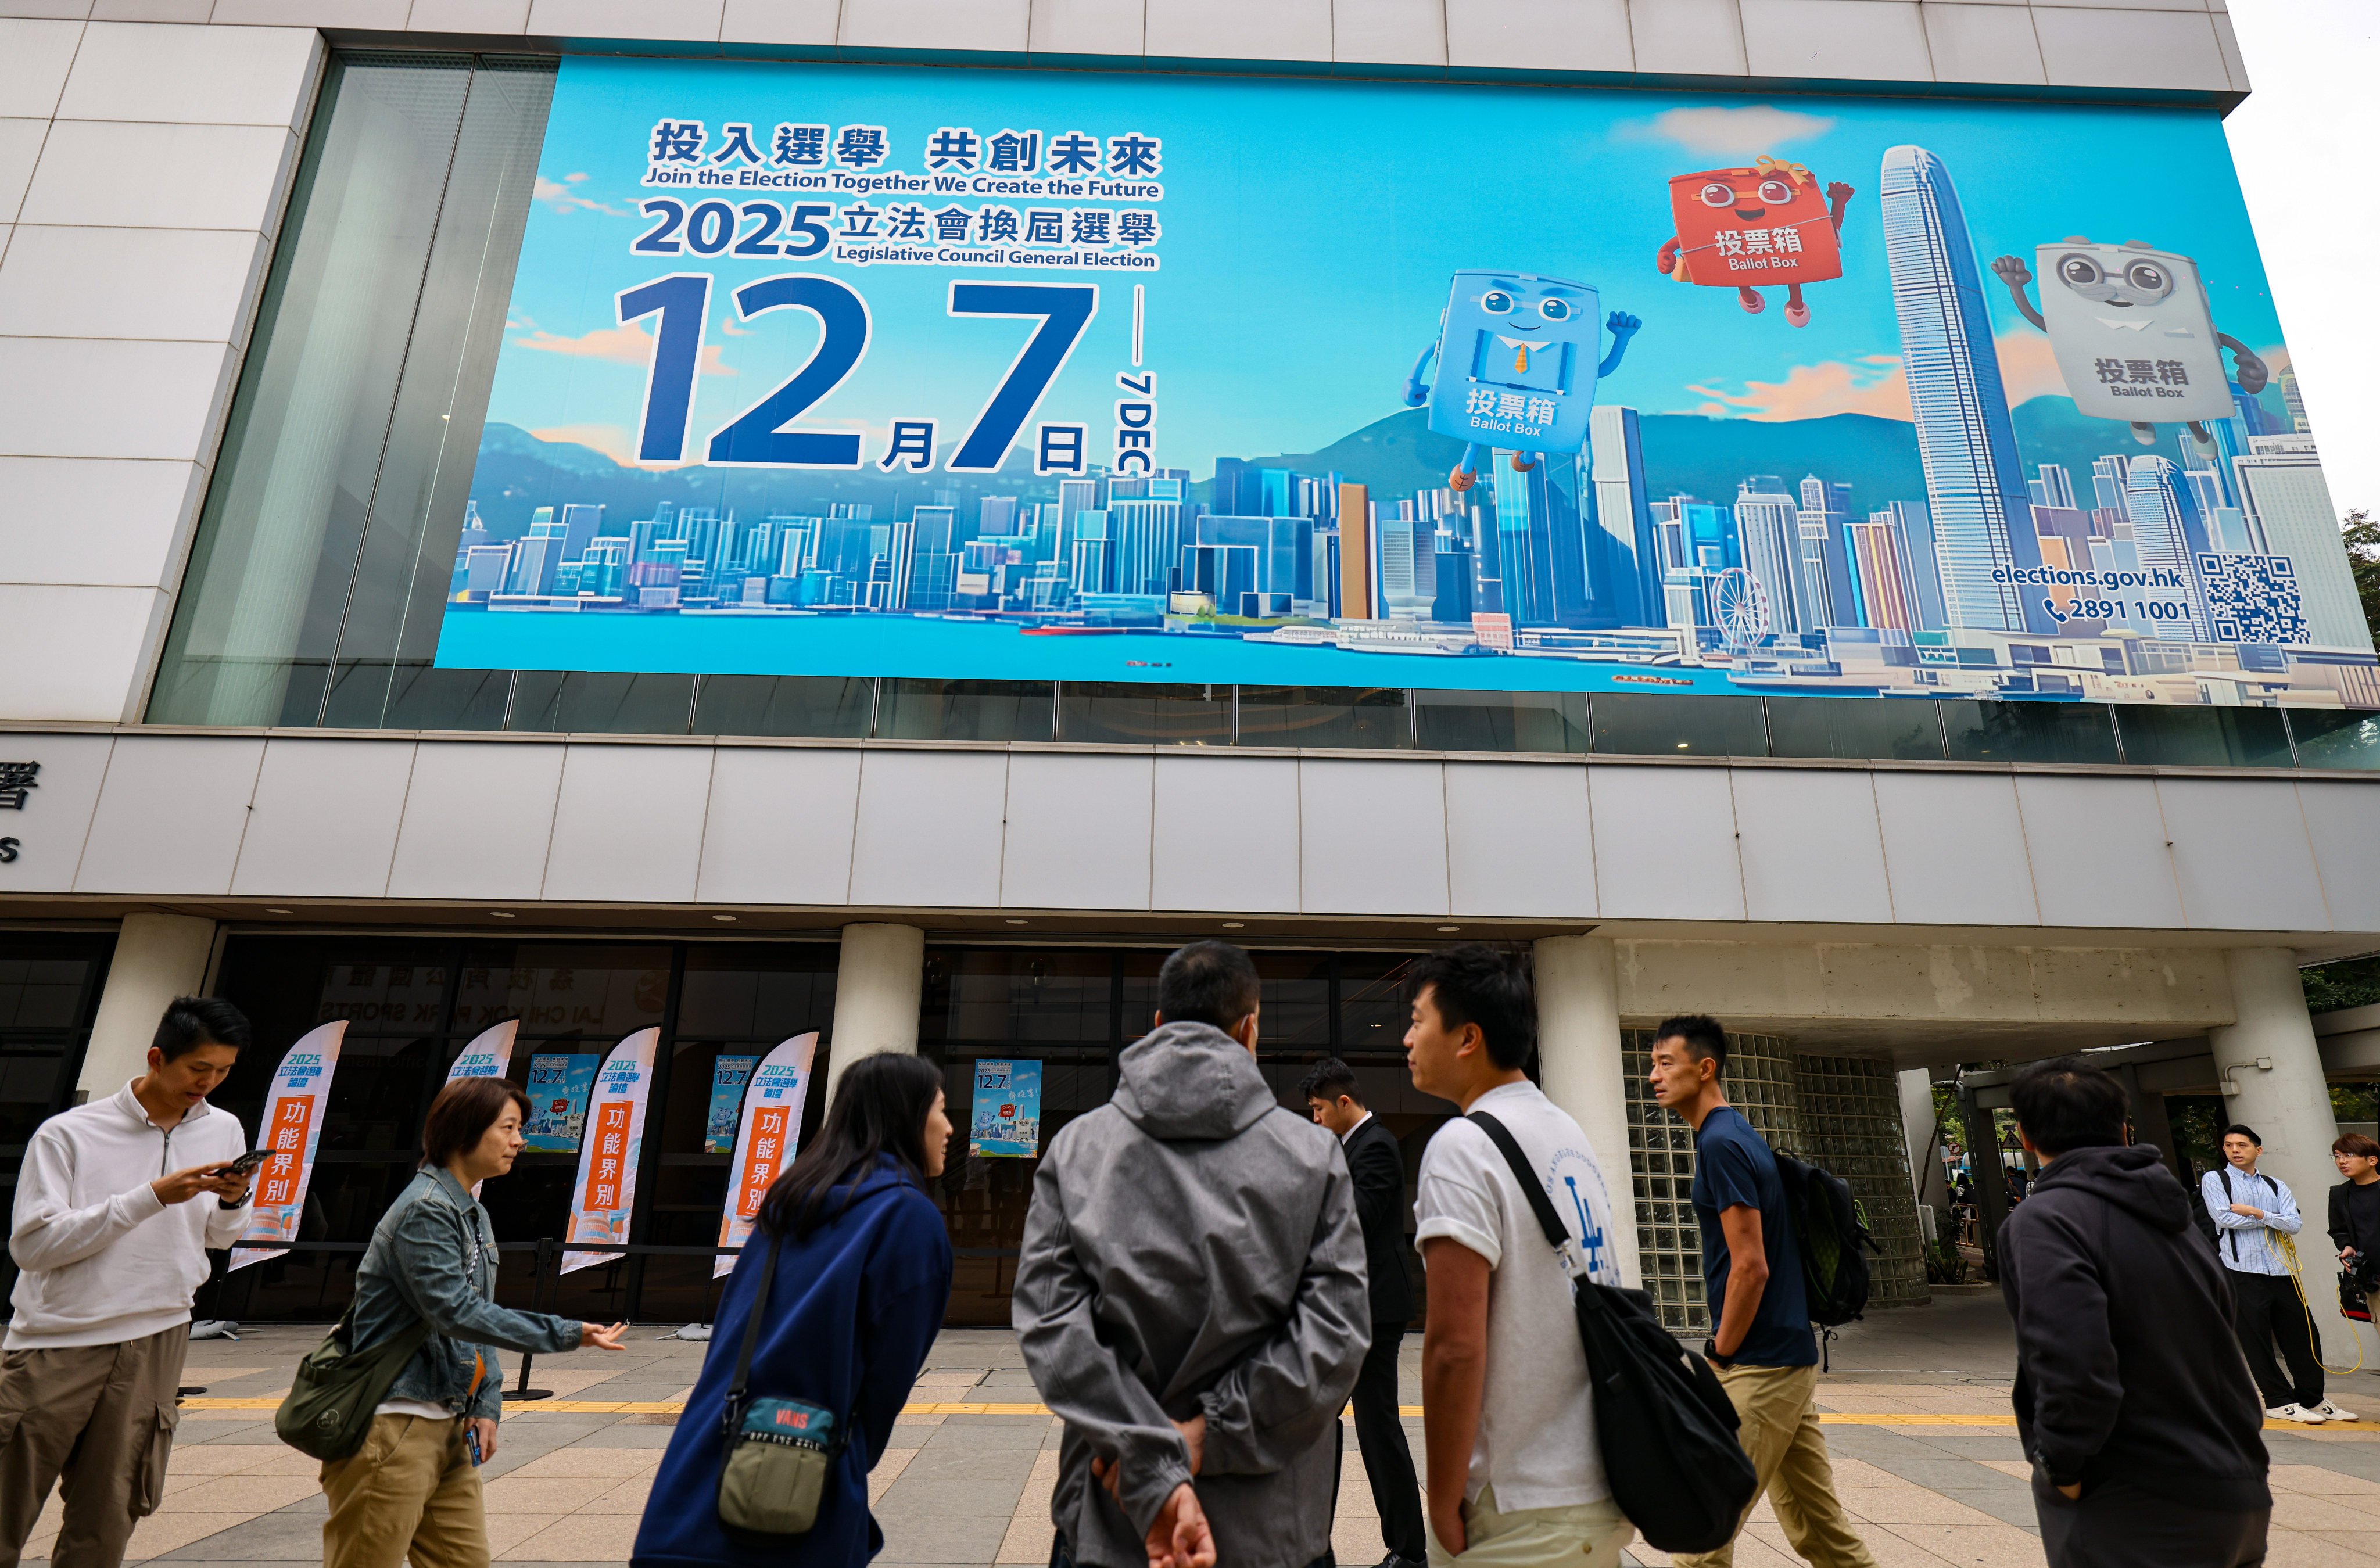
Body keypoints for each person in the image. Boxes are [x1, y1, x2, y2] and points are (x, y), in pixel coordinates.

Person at [1015, 940, 1367, 1568]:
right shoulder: (1314, 1157)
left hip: (1112, 1521)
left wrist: (1152, 1464)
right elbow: (1335, 1333)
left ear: (1157, 1025)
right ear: (1250, 1026)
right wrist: (1207, 1436)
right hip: (1274, 1529)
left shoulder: (1076, 1149)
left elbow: (1052, 1329)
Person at [634, 1052, 954, 1568]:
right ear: (907, 1115)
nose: (950, 1127)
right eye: (940, 1109)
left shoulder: (790, 1200)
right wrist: (845, 1462)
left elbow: (730, 1333)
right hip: (792, 1496)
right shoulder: (907, 1217)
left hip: (694, 1480)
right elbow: (886, 1381)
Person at [326, 1074, 628, 1568]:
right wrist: (565, 1332)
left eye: (519, 1128)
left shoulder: (472, 1212)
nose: (520, 1140)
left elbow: (475, 1317)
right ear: (464, 1130)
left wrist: (486, 1403)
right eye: (508, 1127)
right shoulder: (426, 1209)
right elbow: (456, 1311)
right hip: (389, 1421)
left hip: (446, 1422)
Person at [0, 996, 256, 1568]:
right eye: (198, 1068)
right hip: (57, 1340)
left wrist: (235, 1201)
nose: (208, 1083)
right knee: (5, 1508)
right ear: (157, 1056)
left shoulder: (224, 1127)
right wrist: (151, 1197)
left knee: (108, 1518)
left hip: (159, 1336)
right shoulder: (69, 1133)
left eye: (223, 1071)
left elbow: (215, 1236)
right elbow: (33, 1245)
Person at [1403, 945, 1630, 1568]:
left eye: (1419, 1019)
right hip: (1595, 1485)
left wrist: (1444, 1497)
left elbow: (1453, 1342)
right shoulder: (1566, 1129)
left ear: (1467, 1037)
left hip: (1518, 1505)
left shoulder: (1462, 1145)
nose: (1406, 1037)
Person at [1999, 1057, 2270, 1568]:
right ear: (2123, 1128)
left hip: (2135, 1497)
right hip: (2235, 1484)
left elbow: (2071, 1359)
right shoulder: (2174, 1214)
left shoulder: (2046, 1219)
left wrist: (2064, 1469)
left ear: (2025, 1136)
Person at [1647, 1014, 1876, 1568]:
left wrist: (1721, 1351)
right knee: (1823, 1535)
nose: (1653, 1076)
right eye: (1651, 1064)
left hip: (1761, 1363)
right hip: (1785, 1357)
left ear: (1706, 1069)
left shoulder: (1722, 1144)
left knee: (1704, 1532)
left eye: (1665, 1063)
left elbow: (1751, 1266)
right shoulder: (1735, 1133)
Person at [1301, 1057, 1424, 1568]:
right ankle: (1315, 1546)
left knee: (1374, 1428)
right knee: (1328, 1424)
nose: (1315, 1120)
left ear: (1343, 1102)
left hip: (1371, 1309)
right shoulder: (1352, 1146)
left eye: (1318, 1109)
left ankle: (1408, 1551)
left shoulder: (1376, 1146)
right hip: (1353, 1307)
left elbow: (1357, 1218)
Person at [2200, 1124, 2339, 1422]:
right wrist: (2275, 1219)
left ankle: (2312, 1399)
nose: (2234, 1150)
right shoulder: (2216, 1179)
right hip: (2241, 1269)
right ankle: (2278, 1400)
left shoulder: (2276, 1184)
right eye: (2228, 1145)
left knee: (2304, 1334)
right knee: (2255, 1338)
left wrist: (2255, 1213)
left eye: (2241, 1145)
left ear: (2258, 1150)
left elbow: (2295, 1224)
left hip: (2281, 1269)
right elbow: (2223, 1218)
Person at [2327, 1131, 2379, 1389]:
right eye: (2337, 1156)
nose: (2342, 1162)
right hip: (2374, 1280)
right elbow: (2338, 1230)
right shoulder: (2339, 1194)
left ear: (2372, 1160)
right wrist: (2345, 1246)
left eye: (2349, 1155)